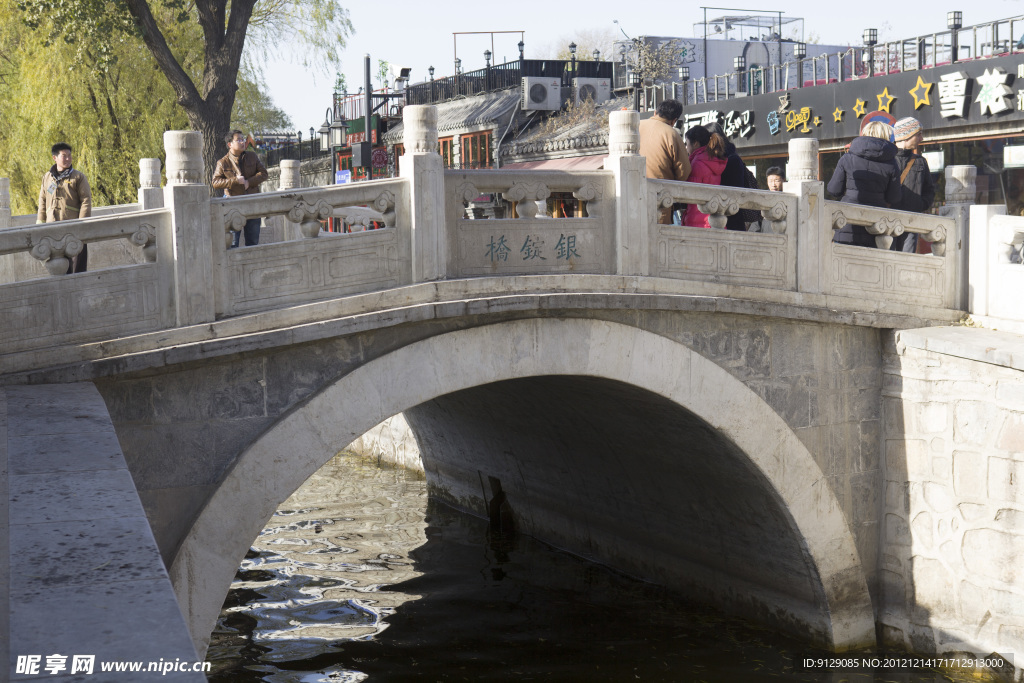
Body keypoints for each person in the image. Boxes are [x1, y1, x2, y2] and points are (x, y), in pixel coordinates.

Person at [826, 120, 902, 248]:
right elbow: (893, 198)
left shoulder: (848, 157)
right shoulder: (892, 163)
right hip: (876, 225)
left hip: (847, 223)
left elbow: (834, 190)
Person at [37, 142, 92, 273]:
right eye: (64, 156)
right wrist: (40, 220)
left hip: (74, 226)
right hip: (53, 227)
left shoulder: (78, 177)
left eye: (69, 155)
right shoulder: (47, 177)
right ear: (54, 158)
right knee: (60, 264)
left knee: (78, 262)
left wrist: (82, 222)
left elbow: (86, 200)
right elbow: (42, 200)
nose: (68, 159)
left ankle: (79, 286)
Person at [212, 129, 268, 247]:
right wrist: (234, 181)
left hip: (252, 203)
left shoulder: (252, 156)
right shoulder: (223, 162)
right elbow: (215, 182)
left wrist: (249, 182)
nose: (242, 142)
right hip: (233, 205)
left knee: (253, 243)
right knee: (233, 243)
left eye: (243, 139)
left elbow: (264, 174)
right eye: (239, 140)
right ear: (230, 144)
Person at [638, 99, 690, 224]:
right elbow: (684, 171)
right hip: (659, 196)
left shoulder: (636, 126)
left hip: (631, 193)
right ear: (674, 120)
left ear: (655, 112)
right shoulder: (671, 134)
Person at [890, 117, 936, 253]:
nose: (921, 138)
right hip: (888, 221)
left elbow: (929, 190)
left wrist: (920, 204)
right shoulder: (887, 160)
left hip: (911, 222)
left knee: (907, 262)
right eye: (918, 134)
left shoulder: (920, 161)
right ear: (907, 135)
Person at [705, 121, 752, 231]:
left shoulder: (731, 160)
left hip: (731, 220)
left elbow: (735, 191)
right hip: (721, 219)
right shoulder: (729, 157)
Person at [682, 126, 728, 228]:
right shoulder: (713, 159)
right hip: (713, 217)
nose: (686, 147)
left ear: (695, 143)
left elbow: (691, 193)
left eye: (687, 143)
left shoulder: (697, 163)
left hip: (698, 219)